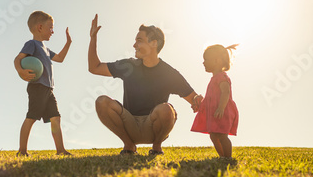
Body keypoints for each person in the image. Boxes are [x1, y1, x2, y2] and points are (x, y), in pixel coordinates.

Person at [88, 14, 200, 155]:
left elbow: (193, 98)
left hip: (153, 126)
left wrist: (198, 101)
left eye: (139, 41)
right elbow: (94, 67)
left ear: (154, 43)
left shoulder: (169, 73)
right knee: (102, 102)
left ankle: (157, 147)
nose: (134, 45)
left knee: (167, 110)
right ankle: (129, 145)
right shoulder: (129, 65)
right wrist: (93, 39)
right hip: (129, 124)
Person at [14, 11, 72, 156]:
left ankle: (61, 150)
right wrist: (20, 70)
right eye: (50, 27)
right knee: (31, 117)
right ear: (40, 27)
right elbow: (18, 58)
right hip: (37, 87)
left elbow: (59, 58)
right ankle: (22, 151)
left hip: (48, 89)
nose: (53, 31)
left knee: (56, 117)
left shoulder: (46, 49)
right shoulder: (32, 44)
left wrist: (68, 43)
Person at [191, 44, 239, 158]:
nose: (203, 62)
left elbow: (225, 92)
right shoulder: (214, 79)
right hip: (216, 112)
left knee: (222, 136)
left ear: (217, 60)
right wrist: (201, 105)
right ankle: (222, 156)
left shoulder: (222, 77)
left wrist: (221, 108)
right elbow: (211, 98)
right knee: (213, 135)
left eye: (206, 59)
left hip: (222, 111)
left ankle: (227, 157)